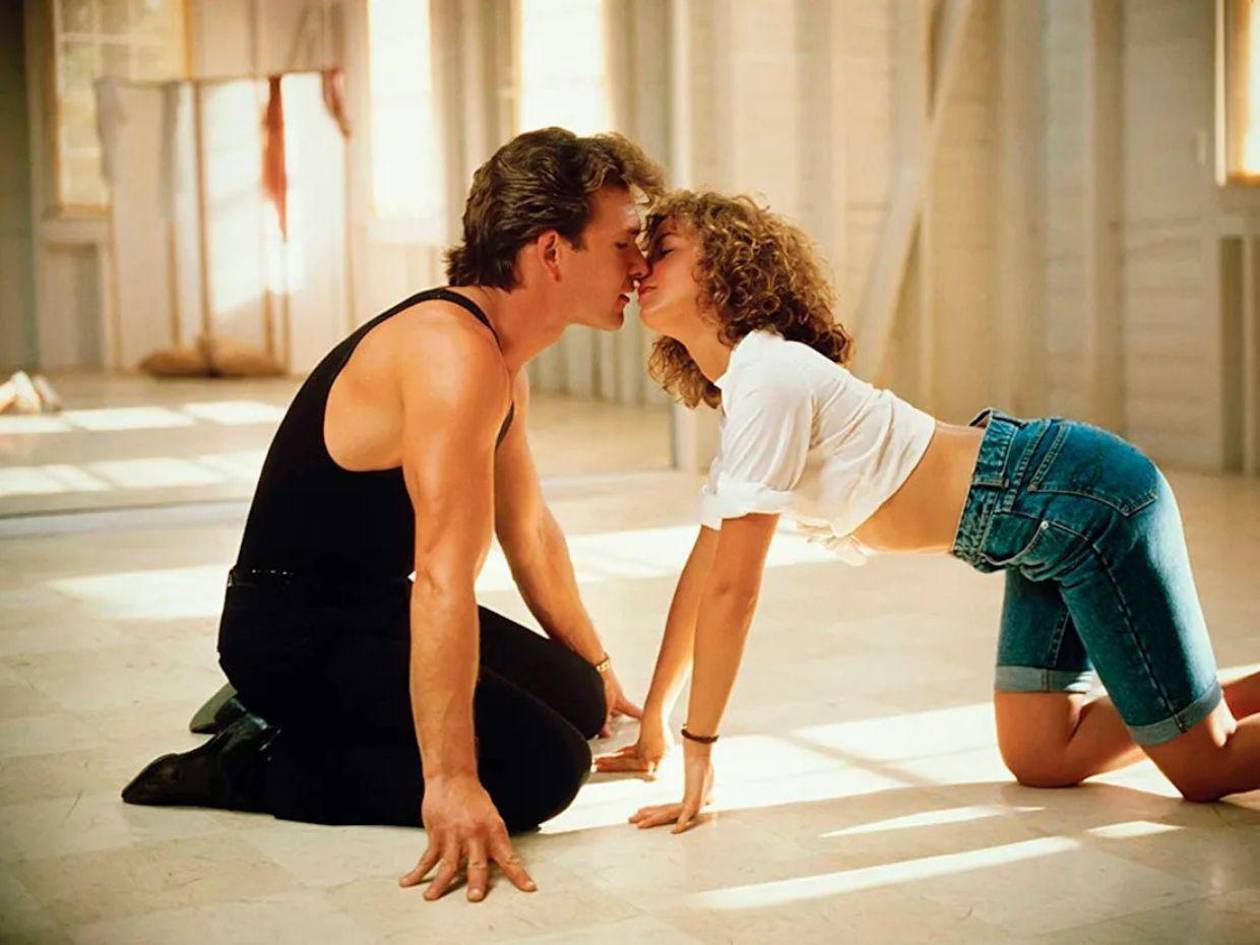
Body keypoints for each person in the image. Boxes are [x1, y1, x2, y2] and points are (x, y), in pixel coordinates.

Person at [596, 190, 1260, 831]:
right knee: (1041, 755)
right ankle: (1186, 699)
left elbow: (733, 591)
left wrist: (701, 749)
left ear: (726, 266)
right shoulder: (748, 387)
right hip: (1040, 532)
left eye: (665, 249)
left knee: (1206, 766)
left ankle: (1186, 714)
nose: (642, 266)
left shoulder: (772, 376)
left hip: (1085, 503)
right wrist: (656, 721)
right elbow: (705, 567)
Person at [122, 127, 663, 902]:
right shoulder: (452, 353)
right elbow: (442, 577)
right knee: (544, 772)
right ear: (552, 251)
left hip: (366, 606)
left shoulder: (498, 353)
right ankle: (254, 759)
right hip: (288, 632)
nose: (639, 265)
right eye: (622, 243)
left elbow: (530, 532)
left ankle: (287, 714)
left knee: (577, 699)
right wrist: (449, 779)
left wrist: (601, 671)